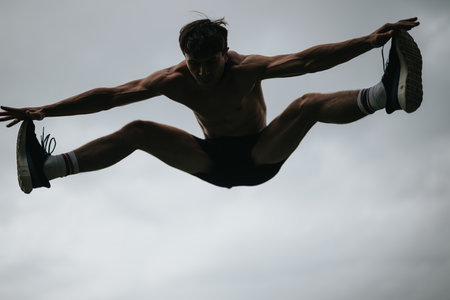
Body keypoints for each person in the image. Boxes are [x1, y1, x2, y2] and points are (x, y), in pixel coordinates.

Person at [0, 17, 422, 193]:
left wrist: (369, 41)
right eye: (194, 64)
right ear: (185, 58)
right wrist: (45, 110)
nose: (202, 72)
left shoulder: (248, 68)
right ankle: (45, 170)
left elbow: (309, 61)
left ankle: (387, 95)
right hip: (211, 162)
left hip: (262, 153)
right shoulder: (173, 81)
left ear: (226, 53)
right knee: (138, 131)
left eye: (210, 62)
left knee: (307, 103)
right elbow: (111, 96)